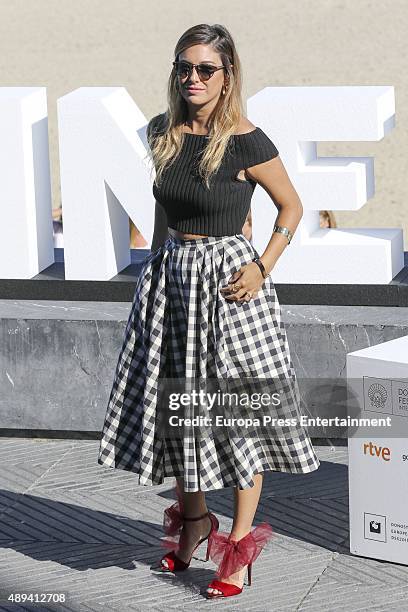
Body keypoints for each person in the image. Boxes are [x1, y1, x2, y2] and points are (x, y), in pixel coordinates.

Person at [98, 23, 320, 600]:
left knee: (239, 413)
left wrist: (262, 264)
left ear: (228, 76)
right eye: (184, 68)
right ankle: (195, 522)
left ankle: (239, 547)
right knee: (179, 408)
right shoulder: (161, 133)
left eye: (206, 69)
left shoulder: (247, 141)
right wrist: (157, 273)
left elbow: (291, 206)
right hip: (173, 281)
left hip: (231, 288)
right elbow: (166, 213)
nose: (193, 78)